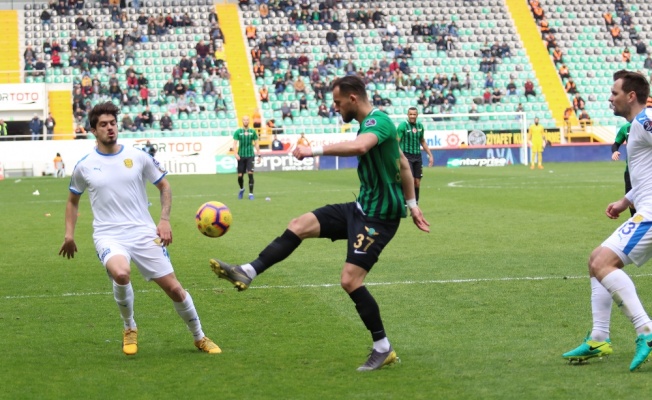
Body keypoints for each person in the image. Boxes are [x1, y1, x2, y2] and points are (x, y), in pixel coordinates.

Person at [209, 75, 430, 371]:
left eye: (338, 103)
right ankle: (248, 271)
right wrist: (413, 204)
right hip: (360, 208)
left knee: (350, 281)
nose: (335, 108)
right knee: (299, 224)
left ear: (353, 98)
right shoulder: (370, 125)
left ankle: (383, 347)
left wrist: (313, 150)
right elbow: (403, 163)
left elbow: (362, 148)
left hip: (380, 218)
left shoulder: (380, 121)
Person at [58, 102, 221, 356]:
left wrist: (164, 219)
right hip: (108, 234)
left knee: (175, 289)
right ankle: (129, 327)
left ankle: (199, 337)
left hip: (144, 232)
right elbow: (72, 200)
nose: (110, 128)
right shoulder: (85, 165)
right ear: (93, 130)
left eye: (112, 123)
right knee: (121, 274)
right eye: (103, 124)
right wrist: (69, 234)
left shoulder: (138, 156)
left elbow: (164, 186)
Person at [561, 71, 652, 372]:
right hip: (643, 208)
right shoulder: (634, 126)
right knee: (596, 260)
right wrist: (625, 200)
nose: (609, 98)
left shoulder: (644, 121)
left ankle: (646, 331)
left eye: (614, 93)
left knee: (604, 264)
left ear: (631, 96)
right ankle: (600, 337)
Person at [396, 107, 434, 204]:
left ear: (417, 115)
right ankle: (406, 202)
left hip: (417, 156)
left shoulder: (420, 126)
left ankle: (415, 203)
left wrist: (430, 155)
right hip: (406, 156)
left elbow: (422, 141)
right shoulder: (402, 126)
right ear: (408, 115)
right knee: (410, 180)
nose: (412, 116)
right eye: (410, 114)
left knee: (417, 182)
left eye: (414, 114)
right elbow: (396, 142)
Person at [612, 122, 636, 217]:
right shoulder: (625, 128)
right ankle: (635, 219)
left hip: (646, 170)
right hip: (629, 170)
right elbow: (616, 144)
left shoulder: (647, 125)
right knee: (631, 201)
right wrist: (615, 151)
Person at [233, 115, 260, 200]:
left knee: (250, 173)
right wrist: (235, 153)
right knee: (240, 175)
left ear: (249, 121)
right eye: (244, 120)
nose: (245, 121)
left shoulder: (253, 132)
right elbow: (234, 144)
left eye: (247, 120)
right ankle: (242, 189)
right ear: (242, 121)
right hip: (241, 156)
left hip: (250, 156)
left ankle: (251, 194)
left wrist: (259, 154)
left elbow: (256, 143)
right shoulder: (238, 131)